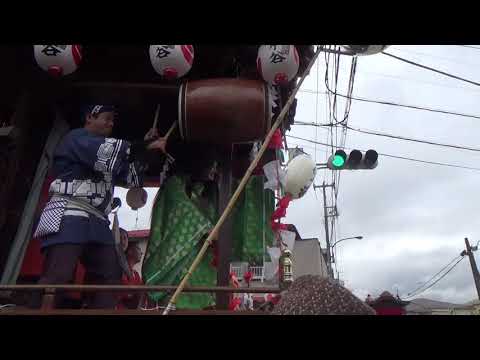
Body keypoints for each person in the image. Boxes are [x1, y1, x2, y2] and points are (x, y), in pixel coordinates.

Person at [31, 104, 167, 309]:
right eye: (107, 118)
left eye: (113, 120)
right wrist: (145, 144)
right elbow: (110, 150)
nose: (111, 123)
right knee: (59, 273)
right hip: (71, 211)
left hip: (98, 219)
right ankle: (39, 310)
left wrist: (144, 151)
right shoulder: (76, 139)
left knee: (111, 272)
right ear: (89, 117)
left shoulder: (105, 158)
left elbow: (131, 176)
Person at [117, 241, 144, 309]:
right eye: (138, 249)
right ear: (130, 251)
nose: (142, 253)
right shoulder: (119, 270)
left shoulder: (136, 274)